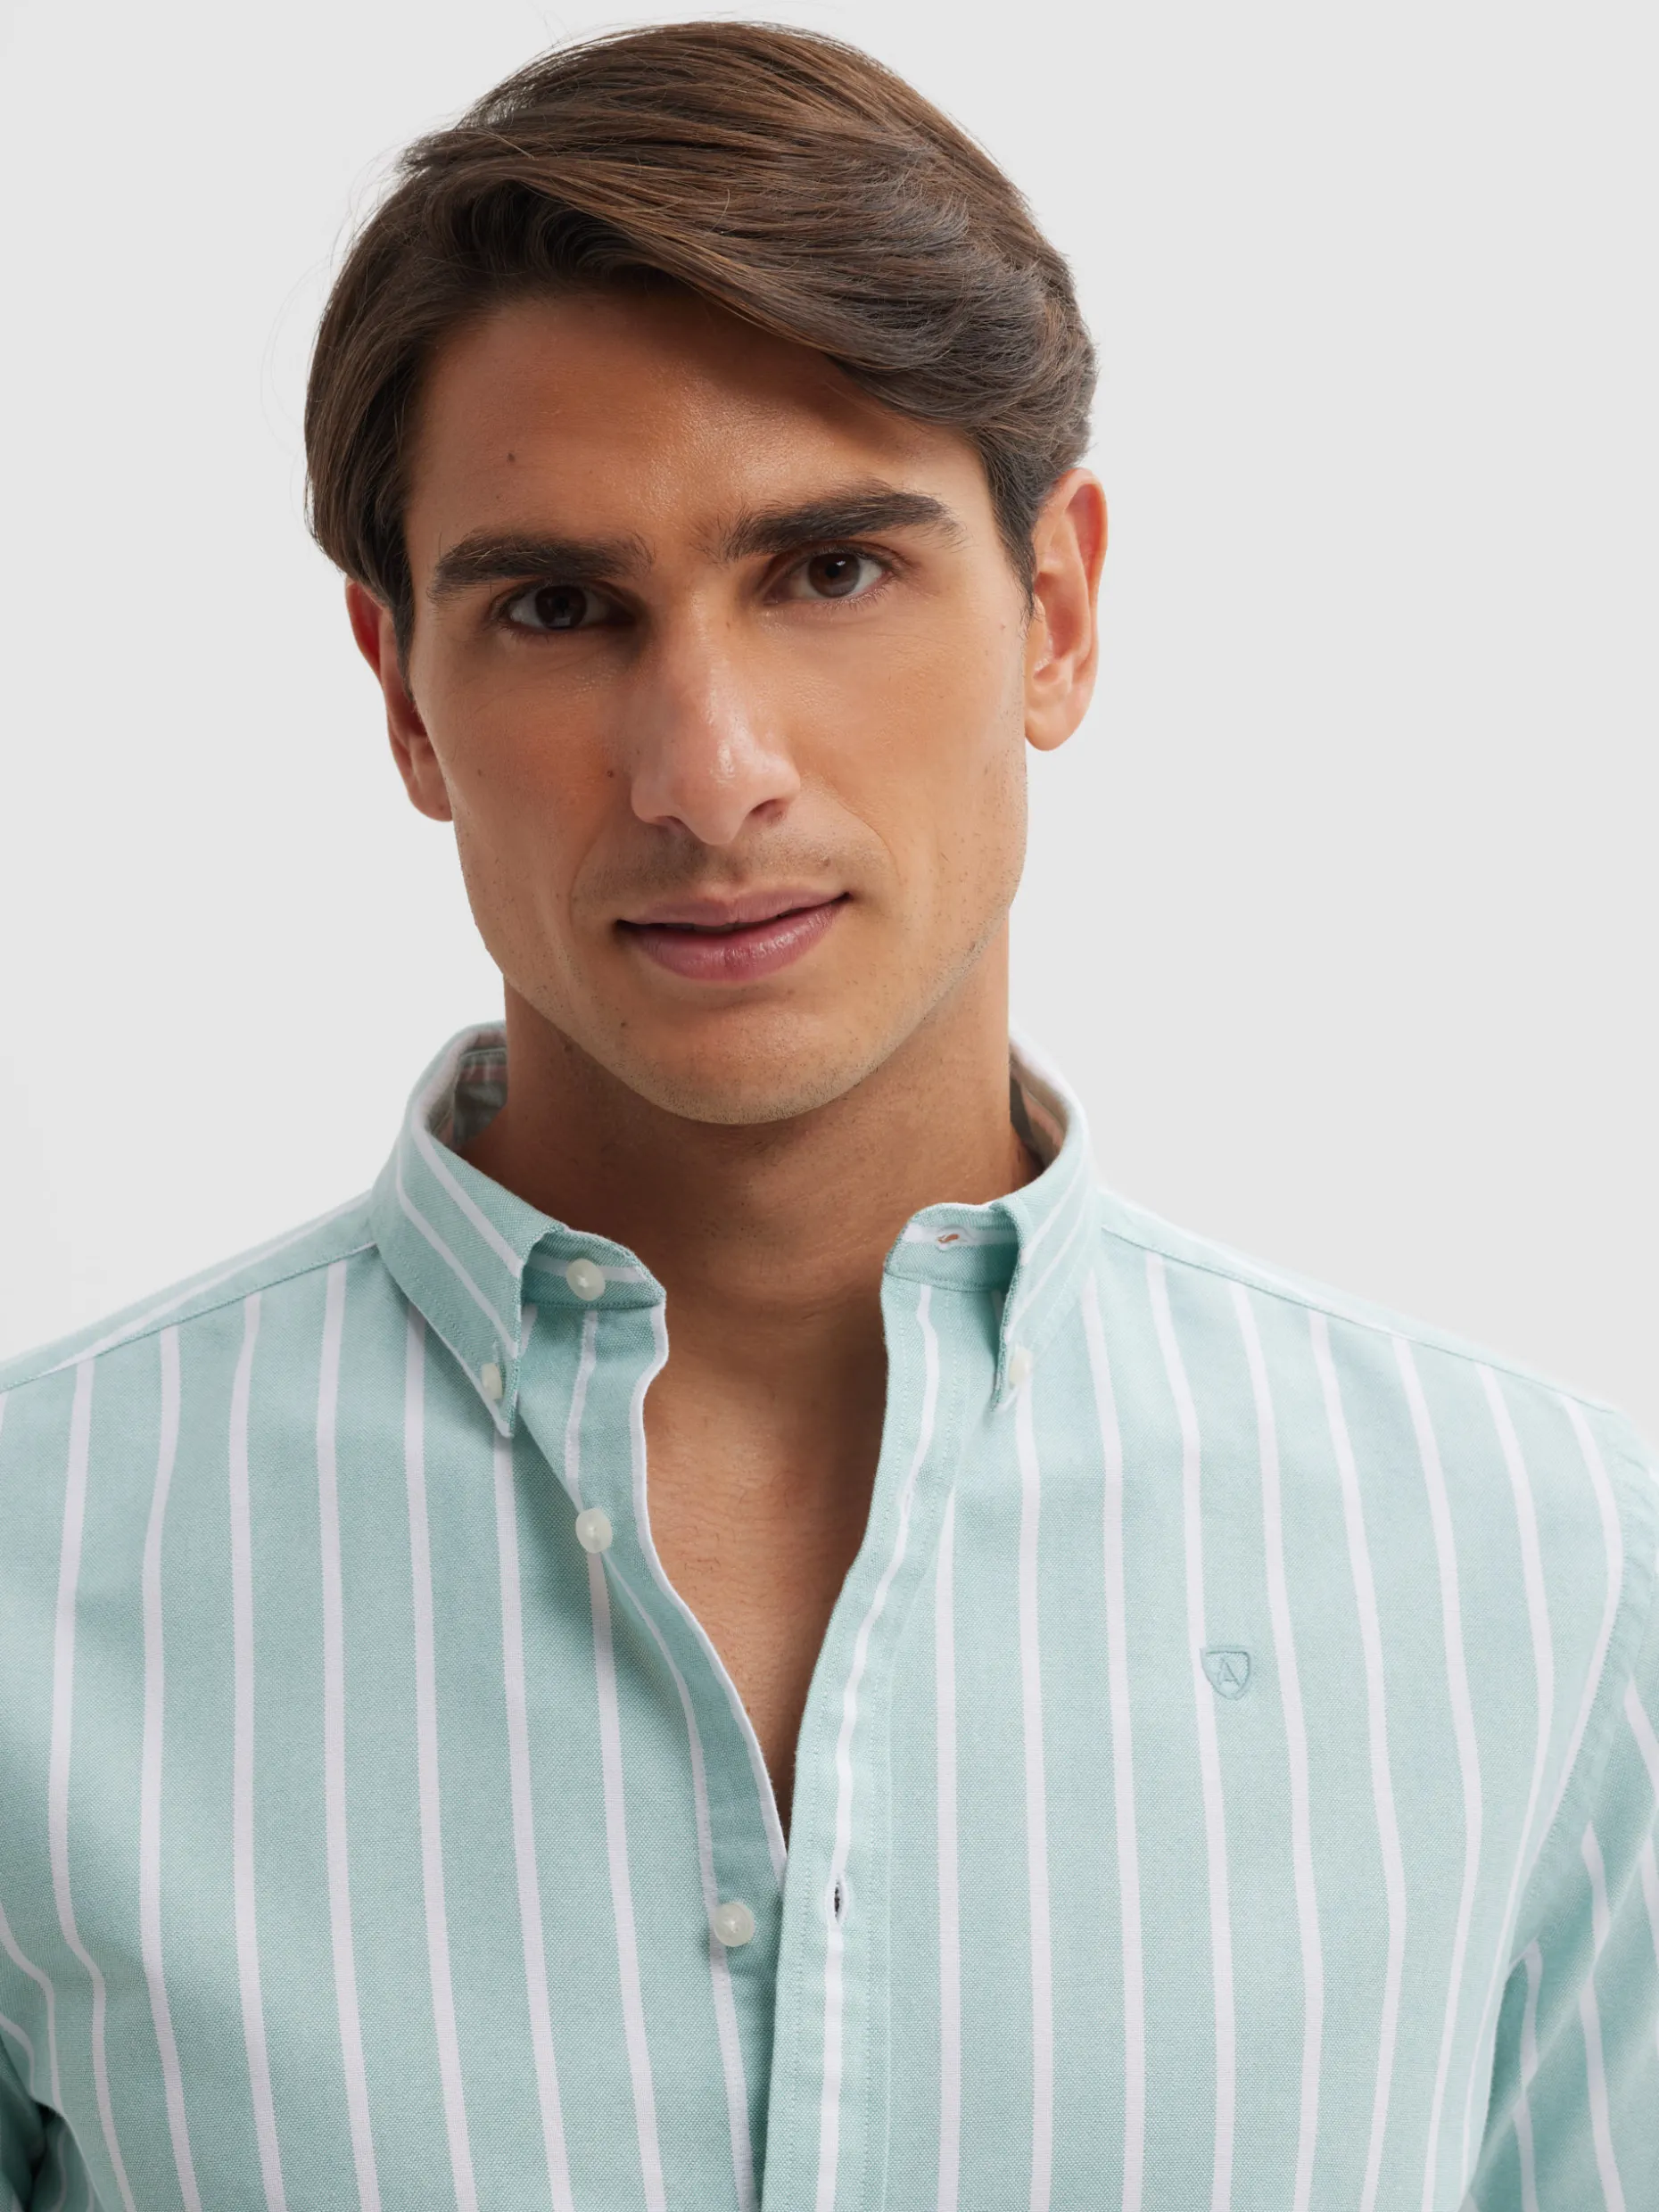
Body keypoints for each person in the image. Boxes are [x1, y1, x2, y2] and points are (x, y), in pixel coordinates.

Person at [1, 21, 1654, 2210]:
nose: (710, 774)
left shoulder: (1540, 1568)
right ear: (401, 693)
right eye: (560, 608)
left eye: (831, 571)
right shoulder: (31, 1577)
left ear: (1056, 612)